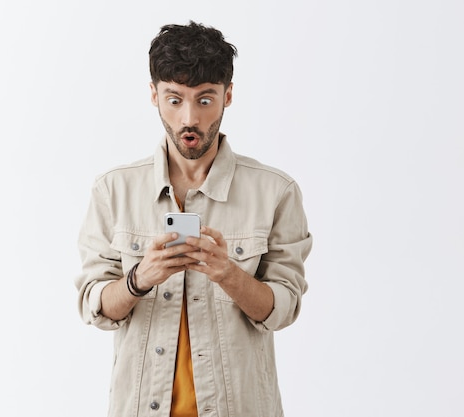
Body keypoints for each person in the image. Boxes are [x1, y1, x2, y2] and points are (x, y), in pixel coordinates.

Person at [75, 21, 312, 417]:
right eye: (174, 99)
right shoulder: (113, 190)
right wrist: (140, 278)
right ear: (153, 95)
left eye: (205, 100)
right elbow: (93, 306)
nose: (189, 118)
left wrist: (229, 275)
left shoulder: (276, 191)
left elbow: (283, 309)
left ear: (227, 96)